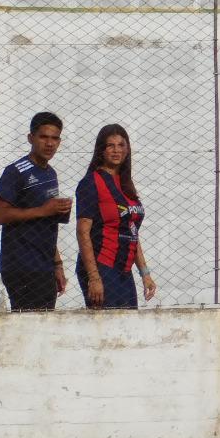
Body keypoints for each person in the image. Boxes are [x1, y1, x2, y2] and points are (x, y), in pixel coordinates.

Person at [0, 111, 72, 311]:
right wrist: (43, 210)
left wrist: (57, 264)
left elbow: (47, 223)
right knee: (29, 324)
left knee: (45, 323)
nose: (49, 143)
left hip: (44, 265)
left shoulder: (51, 173)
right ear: (30, 138)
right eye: (43, 137)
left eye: (55, 138)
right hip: (21, 265)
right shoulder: (16, 171)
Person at [74, 124, 155, 309]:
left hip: (123, 271)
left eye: (121, 145)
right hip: (101, 266)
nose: (116, 150)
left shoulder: (126, 183)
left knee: (129, 323)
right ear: (101, 150)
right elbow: (82, 232)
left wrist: (145, 273)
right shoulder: (91, 182)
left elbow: (132, 231)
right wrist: (94, 277)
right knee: (105, 324)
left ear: (127, 149)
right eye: (110, 145)